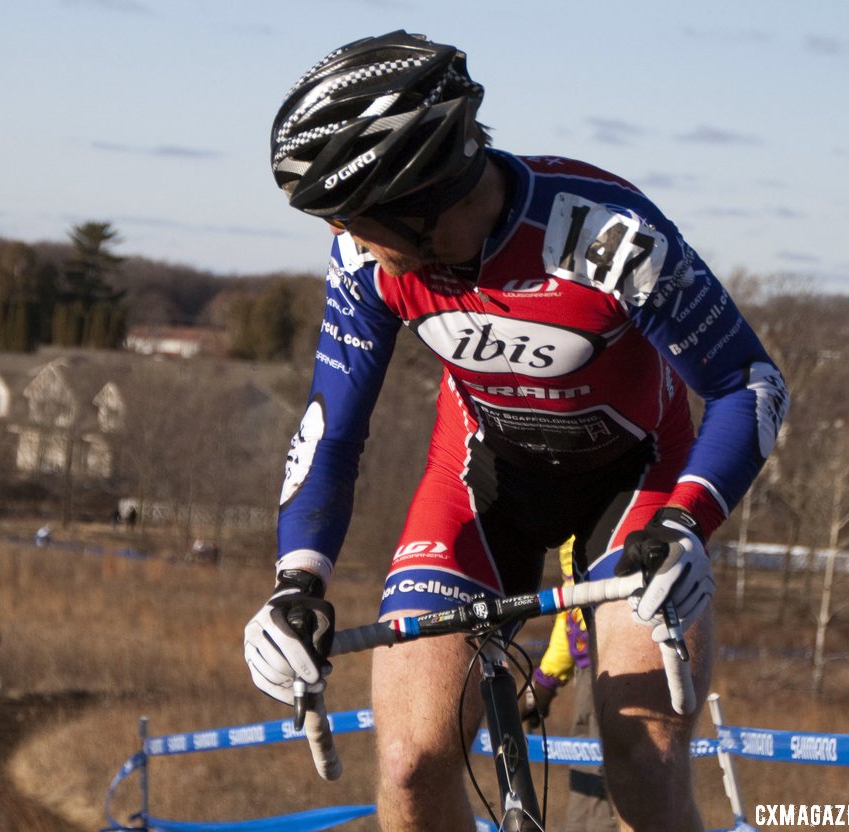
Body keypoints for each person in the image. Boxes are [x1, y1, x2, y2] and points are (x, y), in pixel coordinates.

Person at [243, 31, 788, 832]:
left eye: (357, 218)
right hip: (482, 481)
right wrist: (296, 583)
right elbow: (333, 425)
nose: (349, 240)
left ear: (419, 196)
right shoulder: (364, 263)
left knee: (642, 757)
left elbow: (749, 383)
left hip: (637, 482)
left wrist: (687, 526)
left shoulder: (604, 235)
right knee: (408, 763)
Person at [520, 539, 618, 832]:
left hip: (618, 662)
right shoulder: (571, 542)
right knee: (583, 766)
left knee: (608, 768)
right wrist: (543, 683)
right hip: (587, 670)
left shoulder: (600, 521)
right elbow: (571, 611)